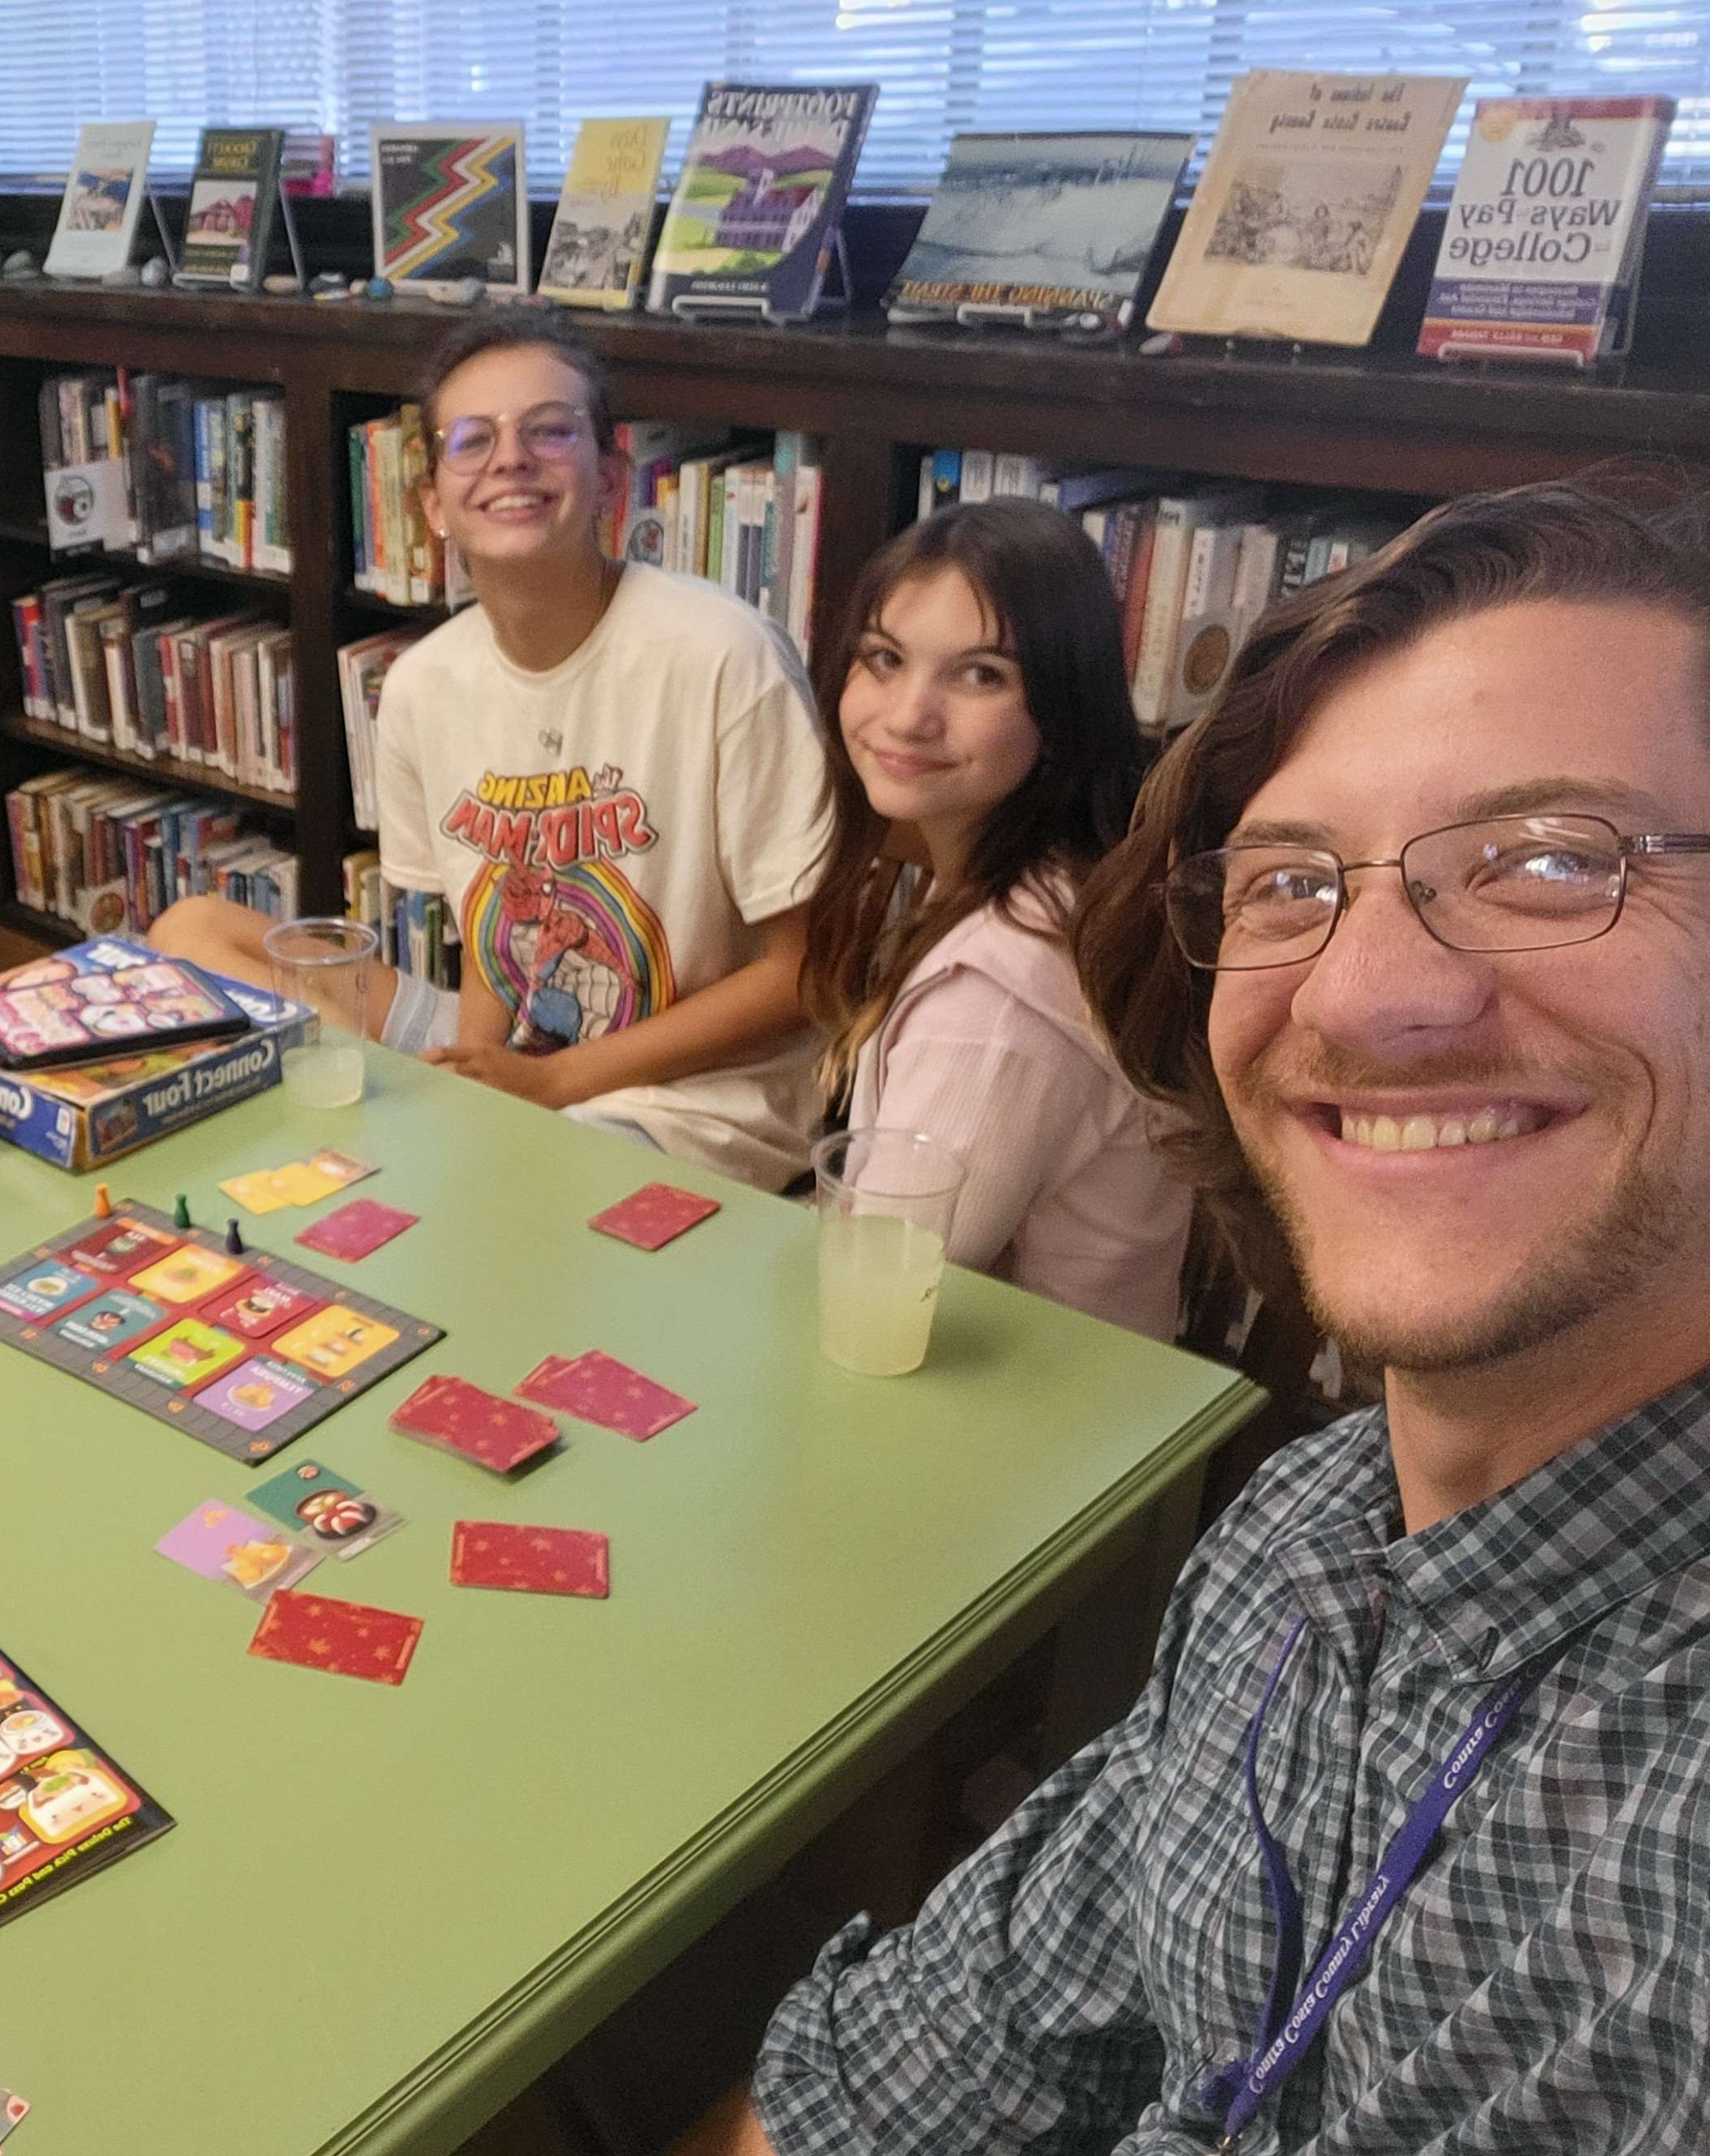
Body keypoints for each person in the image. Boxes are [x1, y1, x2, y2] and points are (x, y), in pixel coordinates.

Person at [685, 478, 1710, 2154]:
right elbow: (914, 2070)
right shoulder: (1297, 1549)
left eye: (1546, 860)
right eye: (1292, 885)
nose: (1369, 995)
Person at [149, 313, 835, 1187]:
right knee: (191, 929)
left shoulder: (722, 655)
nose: (511, 459)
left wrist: (547, 1084)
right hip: (526, 1046)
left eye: (550, 430)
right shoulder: (422, 685)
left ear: (610, 480)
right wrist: (474, 1076)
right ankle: (419, 1124)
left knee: (508, 1192)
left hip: (688, 1096)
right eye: (472, 440)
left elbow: (807, 975)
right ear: (433, 503)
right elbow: (488, 937)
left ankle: (420, 1135)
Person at [799, 500, 1189, 1335]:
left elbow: (884, 1284)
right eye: (884, 659)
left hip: (1034, 1430)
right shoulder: (1056, 882)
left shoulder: (995, 1000)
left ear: (1061, 711)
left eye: (980, 675)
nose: (908, 715)